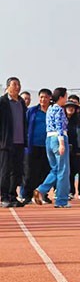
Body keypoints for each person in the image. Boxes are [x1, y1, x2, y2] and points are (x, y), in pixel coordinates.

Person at [33, 87, 71, 208]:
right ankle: (61, 200)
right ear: (61, 97)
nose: (66, 99)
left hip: (49, 139)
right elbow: (59, 126)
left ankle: (41, 189)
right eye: (66, 96)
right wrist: (62, 143)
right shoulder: (59, 109)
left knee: (55, 169)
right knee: (63, 170)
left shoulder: (50, 108)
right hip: (58, 138)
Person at [22, 88, 53, 204]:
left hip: (48, 146)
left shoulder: (53, 111)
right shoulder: (32, 111)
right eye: (41, 97)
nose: (43, 99)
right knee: (29, 172)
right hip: (32, 145)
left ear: (50, 98)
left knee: (45, 171)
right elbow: (25, 126)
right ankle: (26, 196)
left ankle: (43, 195)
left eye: (45, 97)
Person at [0, 77, 28, 207]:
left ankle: (12, 196)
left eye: (19, 84)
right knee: (5, 171)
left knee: (16, 172)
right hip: (5, 143)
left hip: (20, 142)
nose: (17, 87)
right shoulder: (2, 102)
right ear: (8, 87)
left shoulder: (21, 103)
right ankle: (4, 197)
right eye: (14, 84)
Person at [65, 100, 80, 200]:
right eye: (68, 107)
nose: (70, 109)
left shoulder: (79, 120)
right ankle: (70, 191)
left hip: (77, 150)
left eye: (73, 107)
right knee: (69, 172)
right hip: (65, 150)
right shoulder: (62, 120)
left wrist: (79, 149)